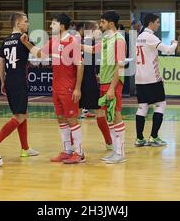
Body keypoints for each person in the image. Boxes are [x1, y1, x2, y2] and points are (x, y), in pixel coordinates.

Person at [21, 13, 86, 164]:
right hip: (56, 87)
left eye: (53, 24)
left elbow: (80, 65)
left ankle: (80, 153)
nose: (50, 26)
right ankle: (67, 151)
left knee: (71, 119)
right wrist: (26, 43)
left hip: (68, 87)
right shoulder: (53, 41)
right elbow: (39, 54)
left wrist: (77, 88)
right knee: (61, 119)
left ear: (62, 26)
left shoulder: (72, 41)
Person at [84, 10, 127, 163]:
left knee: (116, 116)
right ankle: (116, 151)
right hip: (104, 82)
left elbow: (120, 66)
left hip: (112, 84)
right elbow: (92, 50)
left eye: (102, 22)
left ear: (111, 23)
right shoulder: (106, 39)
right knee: (110, 118)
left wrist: (111, 88)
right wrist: (74, 44)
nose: (100, 25)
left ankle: (120, 153)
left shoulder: (119, 39)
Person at [0, 12, 39, 159]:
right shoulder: (24, 39)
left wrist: (2, 82)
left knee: (21, 114)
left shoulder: (5, 41)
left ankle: (25, 148)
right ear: (18, 23)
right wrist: (27, 43)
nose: (28, 24)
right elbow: (39, 56)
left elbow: (0, 63)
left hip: (9, 81)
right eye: (25, 21)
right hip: (20, 81)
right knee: (20, 116)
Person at [134, 13, 177, 147]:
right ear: (151, 23)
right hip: (152, 77)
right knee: (161, 105)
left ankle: (139, 138)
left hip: (139, 77)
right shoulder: (150, 37)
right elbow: (168, 50)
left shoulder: (139, 37)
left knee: (142, 106)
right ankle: (154, 136)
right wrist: (174, 43)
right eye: (157, 22)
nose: (158, 24)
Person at [78, 21, 113, 149]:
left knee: (74, 115)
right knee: (99, 112)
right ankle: (109, 142)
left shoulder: (78, 43)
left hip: (78, 84)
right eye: (98, 28)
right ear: (92, 31)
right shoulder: (94, 43)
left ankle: (73, 145)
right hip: (90, 83)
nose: (100, 30)